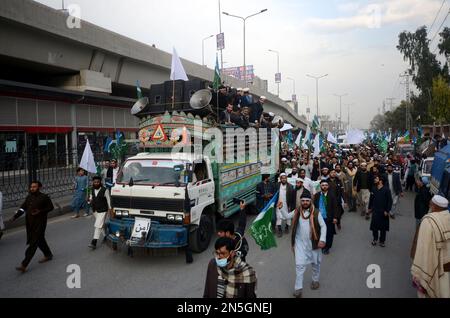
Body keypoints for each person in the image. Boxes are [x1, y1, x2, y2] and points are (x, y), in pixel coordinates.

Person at [9, 181, 54, 273]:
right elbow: (22, 208)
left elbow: (51, 208)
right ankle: (48, 254)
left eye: (34, 187)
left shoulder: (44, 197)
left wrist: (40, 211)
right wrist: (15, 216)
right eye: (31, 187)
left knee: (33, 243)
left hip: (40, 223)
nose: (32, 188)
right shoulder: (29, 197)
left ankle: (24, 264)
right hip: (30, 223)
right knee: (40, 240)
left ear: (39, 187)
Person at [411, 195, 450, 298]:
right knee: (444, 290)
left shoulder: (428, 222)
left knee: (427, 290)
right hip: (446, 267)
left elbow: (422, 250)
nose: (429, 205)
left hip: (430, 265)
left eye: (431, 204)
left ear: (434, 207)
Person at [290, 191, 327, 298]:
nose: (305, 202)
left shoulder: (316, 212)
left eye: (307, 200)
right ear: (300, 201)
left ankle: (315, 280)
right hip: (300, 244)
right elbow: (285, 216)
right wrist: (280, 208)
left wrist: (322, 240)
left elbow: (323, 226)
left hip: (313, 244)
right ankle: (298, 289)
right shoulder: (297, 211)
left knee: (315, 264)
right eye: (303, 201)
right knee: (299, 266)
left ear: (310, 201)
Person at [313, 180, 339, 255]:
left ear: (328, 186)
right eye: (322, 185)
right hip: (319, 218)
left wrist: (335, 217)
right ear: (320, 186)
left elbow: (335, 207)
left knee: (329, 233)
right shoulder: (317, 195)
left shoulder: (332, 195)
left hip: (329, 218)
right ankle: (320, 244)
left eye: (326, 185)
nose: (324, 186)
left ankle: (327, 247)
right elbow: (314, 206)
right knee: (319, 232)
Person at [88, 176, 112, 250]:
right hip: (95, 210)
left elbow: (108, 200)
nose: (96, 183)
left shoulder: (105, 190)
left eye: (97, 182)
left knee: (98, 225)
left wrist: (110, 210)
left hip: (103, 210)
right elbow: (91, 199)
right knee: (100, 224)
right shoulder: (91, 189)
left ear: (100, 182)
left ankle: (94, 242)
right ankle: (105, 236)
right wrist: (89, 200)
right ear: (93, 182)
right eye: (94, 182)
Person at [368, 176, 392, 247]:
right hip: (375, 210)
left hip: (383, 211)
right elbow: (371, 199)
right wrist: (369, 208)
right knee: (374, 226)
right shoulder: (373, 188)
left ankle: (382, 241)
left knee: (383, 228)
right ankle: (375, 239)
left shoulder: (386, 190)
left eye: (376, 179)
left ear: (381, 181)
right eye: (375, 178)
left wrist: (387, 210)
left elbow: (389, 201)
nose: (375, 179)